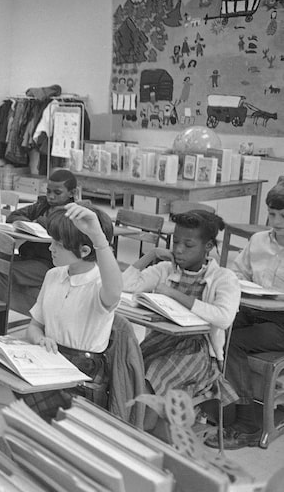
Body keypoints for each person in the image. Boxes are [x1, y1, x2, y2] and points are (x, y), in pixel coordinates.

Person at [0, 203, 120, 451]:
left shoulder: (100, 285)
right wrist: (39, 338)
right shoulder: (54, 276)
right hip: (46, 364)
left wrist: (98, 237)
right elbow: (35, 326)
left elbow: (115, 288)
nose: (50, 248)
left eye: (58, 244)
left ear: (84, 250)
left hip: (79, 380)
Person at [122, 210, 240, 430]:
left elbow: (223, 318)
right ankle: (133, 432)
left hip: (198, 353)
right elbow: (125, 285)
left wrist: (174, 294)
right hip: (159, 342)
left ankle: (138, 434)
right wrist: (151, 254)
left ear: (207, 247)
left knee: (149, 377)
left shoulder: (224, 278)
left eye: (188, 245)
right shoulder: (166, 269)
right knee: (128, 367)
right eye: (175, 241)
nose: (178, 249)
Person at [217, 184, 284, 449]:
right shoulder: (258, 241)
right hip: (255, 310)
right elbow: (238, 272)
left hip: (282, 322)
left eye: (283, 216)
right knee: (217, 326)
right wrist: (242, 285)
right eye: (272, 215)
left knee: (234, 341)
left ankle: (247, 423)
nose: (276, 223)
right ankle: (219, 404)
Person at [0, 169, 78, 302]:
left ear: (72, 193)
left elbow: (54, 225)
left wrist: (38, 222)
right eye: (48, 191)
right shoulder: (42, 205)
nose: (51, 196)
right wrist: (30, 225)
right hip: (27, 257)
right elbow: (13, 216)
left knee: (1, 272)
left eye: (57, 193)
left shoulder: (74, 213)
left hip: (49, 263)